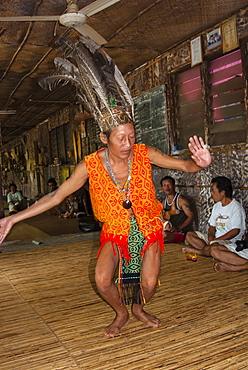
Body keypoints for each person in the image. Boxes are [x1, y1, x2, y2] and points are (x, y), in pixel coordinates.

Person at [0, 110, 211, 338]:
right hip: (115, 229)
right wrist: (13, 218)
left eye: (131, 136)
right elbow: (56, 196)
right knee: (102, 280)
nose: (128, 144)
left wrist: (200, 163)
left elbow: (186, 166)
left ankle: (138, 309)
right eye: (120, 138)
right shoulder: (89, 165)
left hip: (148, 227)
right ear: (104, 138)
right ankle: (122, 314)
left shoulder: (144, 153)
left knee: (149, 284)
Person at [182, 176, 246, 271]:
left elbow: (235, 231)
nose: (212, 194)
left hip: (230, 241)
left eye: (213, 191)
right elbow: (212, 226)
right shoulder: (217, 206)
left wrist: (217, 240)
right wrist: (211, 237)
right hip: (215, 240)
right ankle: (208, 251)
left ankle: (201, 251)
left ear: (223, 192)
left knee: (214, 247)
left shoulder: (236, 207)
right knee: (190, 235)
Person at [160, 176, 195, 242]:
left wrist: (179, 228)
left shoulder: (181, 200)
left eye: (169, 184)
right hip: (169, 231)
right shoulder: (164, 202)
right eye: (164, 185)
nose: (167, 187)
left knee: (163, 235)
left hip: (180, 232)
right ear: (162, 188)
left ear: (174, 186)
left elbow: (191, 216)